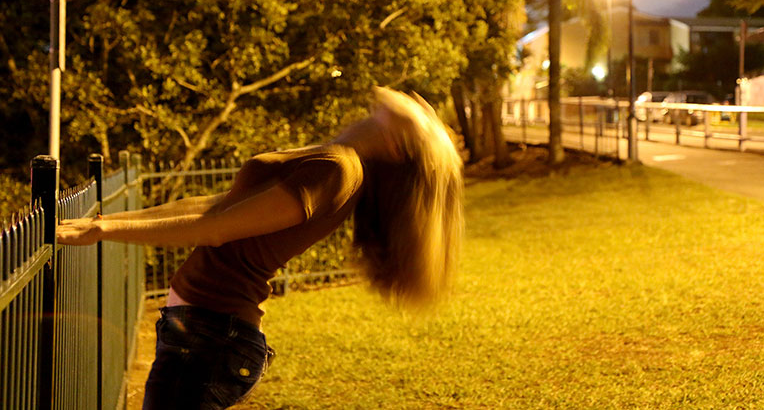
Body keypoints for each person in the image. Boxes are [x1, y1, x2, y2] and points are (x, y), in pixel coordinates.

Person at [57, 87, 464, 410]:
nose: (406, 101)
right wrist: (101, 223)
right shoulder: (333, 162)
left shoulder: (338, 170)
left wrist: (102, 230)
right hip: (205, 333)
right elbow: (215, 207)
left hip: (210, 338)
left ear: (395, 147)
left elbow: (215, 228)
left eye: (405, 113)